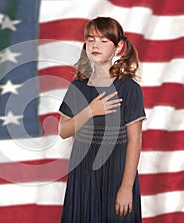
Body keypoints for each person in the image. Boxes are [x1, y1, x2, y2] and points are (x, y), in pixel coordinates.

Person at [58, 17, 146, 222]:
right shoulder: (77, 87)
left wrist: (126, 187)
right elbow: (63, 131)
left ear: (118, 47)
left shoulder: (129, 88)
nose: (95, 45)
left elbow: (135, 141)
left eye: (104, 40)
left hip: (116, 174)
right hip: (83, 174)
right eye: (91, 39)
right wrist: (89, 111)